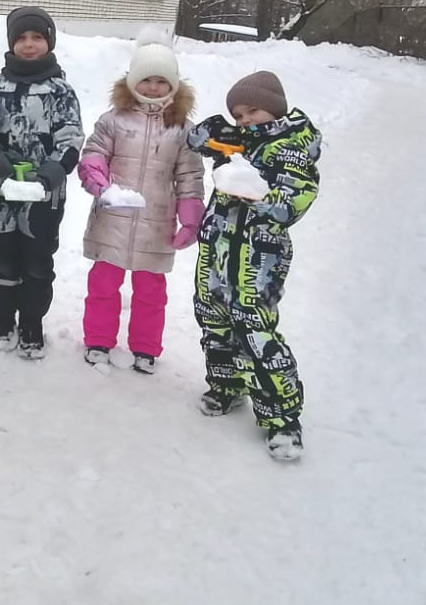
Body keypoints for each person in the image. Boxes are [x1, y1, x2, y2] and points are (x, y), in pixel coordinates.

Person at [186, 70, 322, 462]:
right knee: (213, 318)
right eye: (239, 114)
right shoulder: (241, 138)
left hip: (260, 256)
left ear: (274, 108)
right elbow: (195, 138)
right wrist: (218, 130)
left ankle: (282, 418)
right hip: (218, 250)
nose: (245, 120)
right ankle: (227, 386)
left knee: (255, 328)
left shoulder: (291, 148)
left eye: (252, 111)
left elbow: (291, 203)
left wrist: (253, 189)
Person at [77, 36, 204, 374]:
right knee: (103, 285)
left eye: (161, 80)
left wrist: (190, 217)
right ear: (133, 81)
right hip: (113, 217)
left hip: (157, 222)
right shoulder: (113, 119)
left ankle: (146, 348)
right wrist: (98, 182)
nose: (152, 86)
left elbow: (190, 174)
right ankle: (98, 340)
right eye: (146, 79)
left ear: (173, 85)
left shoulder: (182, 129)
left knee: (151, 291)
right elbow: (94, 154)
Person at [0, 6, 84, 359]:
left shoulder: (60, 91)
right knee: (3, 260)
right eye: (21, 38)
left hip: (44, 194)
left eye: (37, 37)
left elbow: (71, 136)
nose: (29, 44)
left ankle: (32, 323)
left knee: (37, 263)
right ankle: (2, 320)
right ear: (11, 43)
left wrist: (53, 170)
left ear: (49, 42)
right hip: (1, 193)